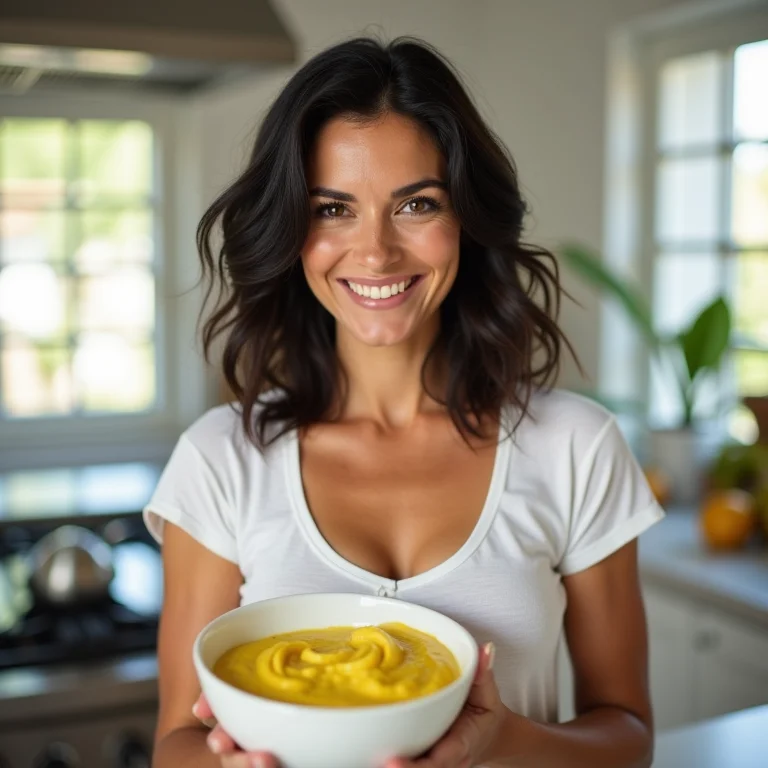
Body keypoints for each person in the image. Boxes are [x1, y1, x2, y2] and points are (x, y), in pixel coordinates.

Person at [143, 36, 664, 768]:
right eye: (334, 209)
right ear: (293, 230)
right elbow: (176, 744)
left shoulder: (577, 447)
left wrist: (498, 741)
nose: (378, 252)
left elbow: (628, 738)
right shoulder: (219, 459)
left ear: (466, 220)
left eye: (417, 203)